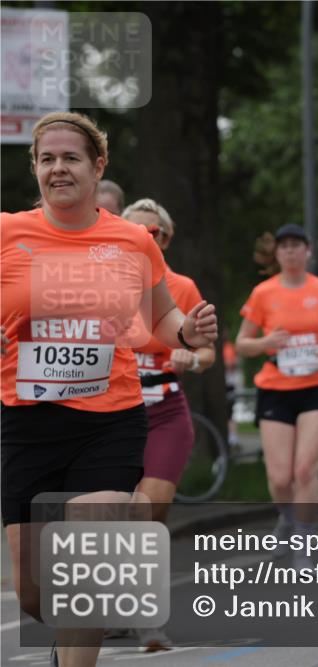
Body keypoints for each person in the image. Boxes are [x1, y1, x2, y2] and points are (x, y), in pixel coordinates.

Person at [1, 111, 217, 667]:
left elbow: (162, 317)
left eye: (70, 157)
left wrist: (186, 333)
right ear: (35, 169)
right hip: (27, 422)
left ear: (98, 166)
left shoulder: (131, 241)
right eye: (47, 159)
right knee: (33, 592)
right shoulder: (7, 233)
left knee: (90, 567)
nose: (58, 169)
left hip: (110, 419)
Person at [235, 223, 318, 567]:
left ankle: (303, 542)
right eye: (284, 246)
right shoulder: (263, 293)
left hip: (317, 387)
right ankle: (287, 519)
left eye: (296, 245)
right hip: (275, 389)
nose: (290, 251)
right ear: (276, 253)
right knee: (279, 477)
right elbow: (241, 344)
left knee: (305, 470)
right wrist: (265, 343)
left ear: (308, 251)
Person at [122, 198, 216, 651]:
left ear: (165, 240)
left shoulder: (181, 287)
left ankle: (145, 619)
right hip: (112, 412)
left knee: (147, 509)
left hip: (164, 412)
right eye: (135, 231)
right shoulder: (99, 284)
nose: (144, 239)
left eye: (153, 233)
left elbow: (209, 351)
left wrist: (190, 357)